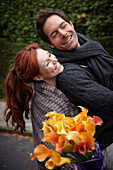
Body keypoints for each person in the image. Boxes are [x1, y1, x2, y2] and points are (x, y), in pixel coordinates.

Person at [35, 8, 113, 170]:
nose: (63, 33)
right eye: (54, 34)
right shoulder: (68, 74)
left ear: (71, 24)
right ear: (50, 44)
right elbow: (109, 102)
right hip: (108, 141)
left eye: (63, 26)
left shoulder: (91, 47)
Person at [4, 43, 78, 170]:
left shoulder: (51, 88)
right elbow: (51, 154)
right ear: (38, 77)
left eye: (49, 55)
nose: (54, 60)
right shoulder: (48, 106)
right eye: (47, 63)